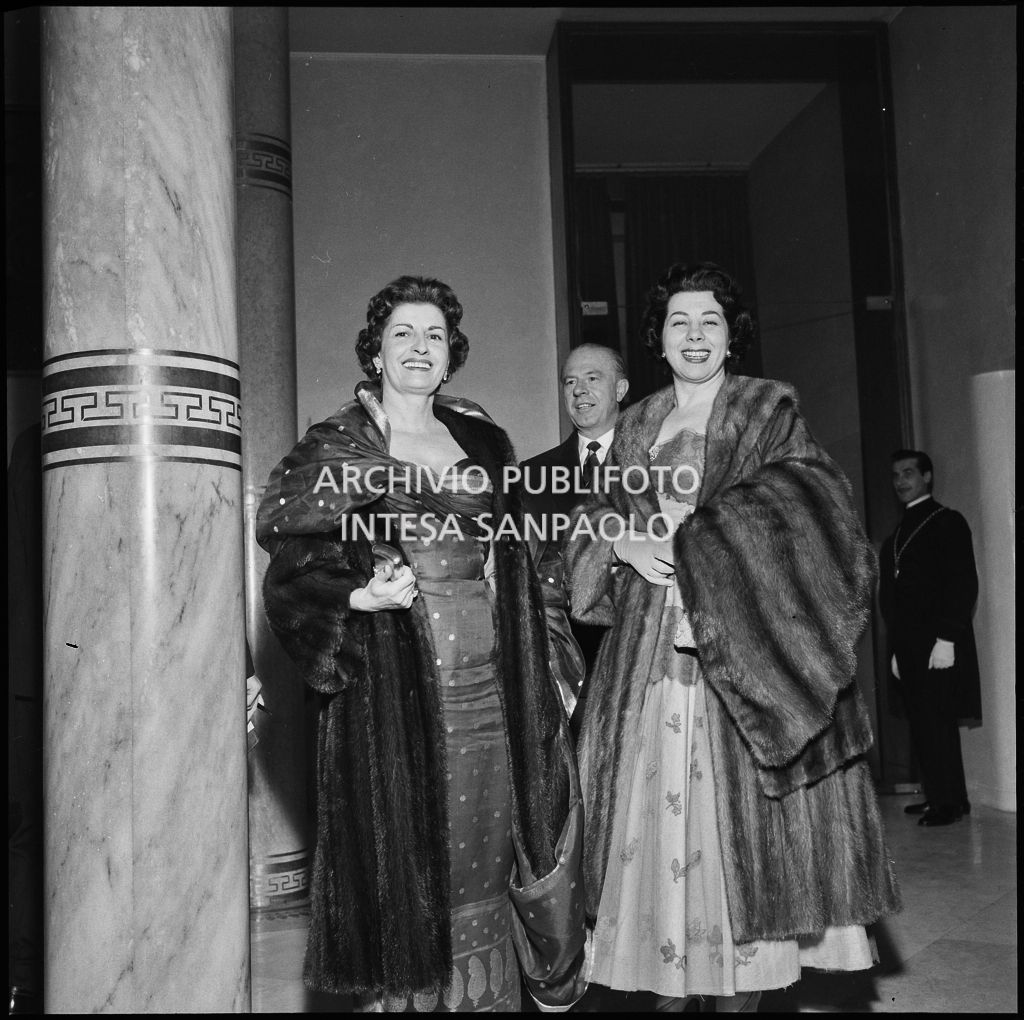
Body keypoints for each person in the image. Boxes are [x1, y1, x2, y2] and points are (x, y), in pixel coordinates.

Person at [565, 262, 901, 1011]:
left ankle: (739, 994)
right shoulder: (639, 424)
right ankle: (671, 988)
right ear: (657, 338)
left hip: (744, 664)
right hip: (649, 660)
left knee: (737, 842)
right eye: (679, 322)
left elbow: (817, 507)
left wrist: (702, 544)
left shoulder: (766, 410)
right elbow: (593, 520)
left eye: (710, 321)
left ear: (731, 335)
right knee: (651, 838)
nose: (694, 335)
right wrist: (620, 541)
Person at [255, 276, 584, 1012]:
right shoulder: (341, 443)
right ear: (375, 350)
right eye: (402, 333)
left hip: (490, 685)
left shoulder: (481, 438)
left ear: (451, 355)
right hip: (390, 687)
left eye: (434, 336)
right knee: (405, 859)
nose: (419, 347)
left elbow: (522, 555)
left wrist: (544, 649)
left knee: (488, 852)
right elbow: (288, 558)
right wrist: (355, 595)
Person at [520, 343, 629, 736]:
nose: (578, 390)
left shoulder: (658, 466)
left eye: (592, 378)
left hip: (637, 660)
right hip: (562, 670)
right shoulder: (531, 476)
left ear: (620, 390)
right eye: (570, 382)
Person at [879, 450, 980, 827]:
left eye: (908, 473)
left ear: (927, 477)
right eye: (895, 475)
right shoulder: (895, 537)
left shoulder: (947, 521)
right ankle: (942, 795)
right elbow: (891, 599)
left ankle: (949, 803)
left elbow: (963, 582)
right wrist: (895, 649)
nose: (901, 481)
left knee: (938, 721)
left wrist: (948, 638)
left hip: (939, 641)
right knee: (923, 723)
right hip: (908, 646)